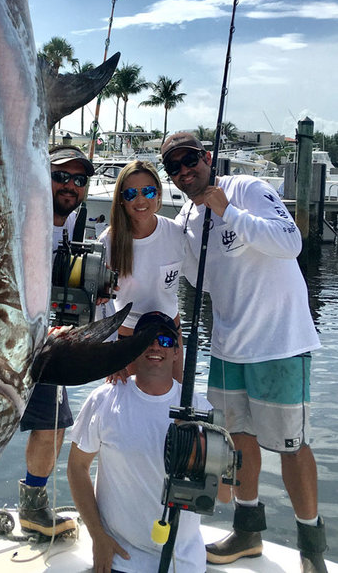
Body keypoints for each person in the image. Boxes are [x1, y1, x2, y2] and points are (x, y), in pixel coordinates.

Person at [161, 131, 327, 572]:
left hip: (279, 344)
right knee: (239, 444)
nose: (184, 171)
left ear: (207, 158)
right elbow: (204, 281)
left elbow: (290, 242)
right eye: (173, 166)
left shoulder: (248, 190)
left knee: (292, 446)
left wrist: (228, 212)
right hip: (228, 347)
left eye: (190, 160)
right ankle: (248, 532)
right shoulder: (187, 221)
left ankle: (312, 549)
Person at [0, 145, 94, 572]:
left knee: (52, 426)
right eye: (61, 176)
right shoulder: (17, 216)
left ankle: (34, 508)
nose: (69, 186)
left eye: (79, 180)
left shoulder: (79, 227)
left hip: (48, 346)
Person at [67, 311, 210, 573]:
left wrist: (198, 451)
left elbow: (222, 493)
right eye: (146, 340)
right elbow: (77, 467)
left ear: (177, 353)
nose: (155, 346)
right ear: (133, 349)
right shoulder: (104, 399)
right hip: (119, 559)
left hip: (183, 563)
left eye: (166, 341)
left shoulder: (199, 409)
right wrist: (98, 535)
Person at [99, 160, 186, 382]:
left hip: (169, 338)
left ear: (158, 194)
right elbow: (100, 307)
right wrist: (110, 355)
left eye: (148, 191)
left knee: (175, 409)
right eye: (130, 194)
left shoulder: (176, 234)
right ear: (121, 199)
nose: (140, 200)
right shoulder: (108, 242)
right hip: (127, 342)